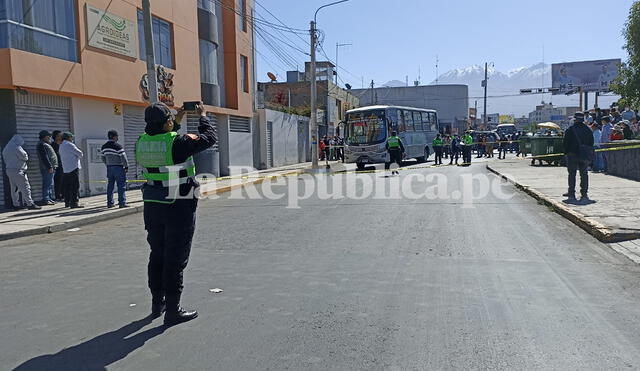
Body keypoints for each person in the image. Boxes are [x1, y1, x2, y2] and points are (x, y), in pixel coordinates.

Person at [136, 101, 216, 326]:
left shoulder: (141, 142)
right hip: (178, 204)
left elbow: (166, 141)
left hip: (152, 203)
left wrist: (176, 120)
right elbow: (209, 138)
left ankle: (157, 303)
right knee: (175, 258)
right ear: (167, 122)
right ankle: (173, 311)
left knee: (157, 254)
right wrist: (203, 116)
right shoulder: (178, 142)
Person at [2, 135, 41, 210]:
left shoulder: (6, 148)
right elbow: (25, 157)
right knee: (25, 187)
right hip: (18, 170)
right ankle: (30, 204)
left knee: (14, 189)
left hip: (9, 170)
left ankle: (16, 205)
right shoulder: (17, 147)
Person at [563, 112, 594, 201]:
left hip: (572, 154)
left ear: (575, 119)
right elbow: (591, 143)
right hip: (584, 155)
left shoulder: (570, 129)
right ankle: (584, 194)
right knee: (584, 174)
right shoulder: (588, 130)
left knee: (572, 174)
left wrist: (566, 153)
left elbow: (565, 143)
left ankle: (571, 193)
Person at [101, 130, 129, 208]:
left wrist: (107, 164)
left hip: (109, 168)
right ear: (114, 137)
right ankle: (122, 203)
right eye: (117, 136)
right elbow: (123, 158)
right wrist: (126, 166)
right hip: (118, 167)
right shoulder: (118, 146)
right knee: (121, 185)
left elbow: (102, 157)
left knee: (110, 185)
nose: (117, 138)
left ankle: (110, 203)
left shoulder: (104, 147)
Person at [59, 132, 84, 208]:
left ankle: (67, 202)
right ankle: (74, 203)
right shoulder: (70, 145)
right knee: (75, 186)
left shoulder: (61, 146)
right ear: (68, 137)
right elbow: (80, 153)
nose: (72, 139)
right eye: (71, 137)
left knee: (67, 187)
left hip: (65, 169)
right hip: (73, 167)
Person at [36, 130, 58, 205]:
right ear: (44, 136)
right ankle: (46, 199)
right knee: (47, 183)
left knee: (50, 183)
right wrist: (49, 167)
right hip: (47, 168)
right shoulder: (41, 145)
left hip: (50, 167)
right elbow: (44, 157)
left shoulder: (45, 144)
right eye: (48, 136)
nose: (50, 137)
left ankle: (49, 197)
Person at [51, 130, 64, 201]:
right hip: (57, 165)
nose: (61, 137)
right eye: (60, 135)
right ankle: (58, 196)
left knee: (63, 180)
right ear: (56, 136)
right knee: (58, 181)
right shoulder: (53, 145)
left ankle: (63, 195)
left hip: (63, 164)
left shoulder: (62, 144)